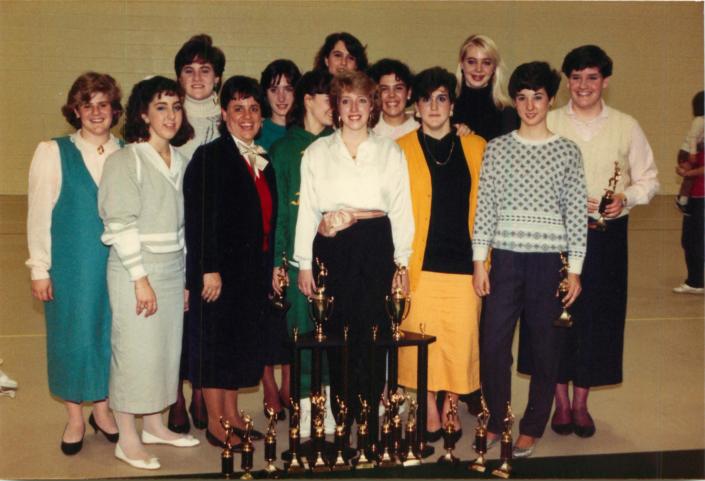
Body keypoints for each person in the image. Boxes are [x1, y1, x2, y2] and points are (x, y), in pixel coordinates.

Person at [522, 45, 659, 439]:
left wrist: (625, 198)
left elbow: (649, 179)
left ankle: (580, 403)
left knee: (598, 319)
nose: (583, 85)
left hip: (605, 238)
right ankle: (559, 403)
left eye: (592, 77)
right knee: (550, 319)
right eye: (576, 77)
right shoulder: (546, 121)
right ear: (566, 81)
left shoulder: (626, 125)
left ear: (606, 81)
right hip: (552, 238)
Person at [473, 61, 587, 458]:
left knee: (545, 347)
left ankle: (533, 423)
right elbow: (485, 207)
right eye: (522, 98)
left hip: (548, 263)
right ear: (514, 102)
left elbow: (575, 214)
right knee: (492, 346)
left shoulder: (567, 152)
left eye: (537, 97)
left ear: (550, 99)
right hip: (504, 260)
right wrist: (478, 262)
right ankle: (496, 419)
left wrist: (574, 270)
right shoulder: (498, 149)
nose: (530, 105)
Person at [293, 70, 414, 442]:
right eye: (346, 101)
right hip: (333, 246)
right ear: (336, 108)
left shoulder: (390, 152)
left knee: (373, 334)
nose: (354, 108)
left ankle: (370, 422)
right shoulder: (316, 152)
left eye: (362, 100)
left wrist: (402, 263)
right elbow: (308, 210)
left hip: (376, 245)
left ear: (372, 105)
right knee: (336, 336)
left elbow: (401, 210)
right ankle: (342, 421)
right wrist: (303, 263)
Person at [99, 76, 199, 470]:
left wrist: (187, 278)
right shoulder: (125, 161)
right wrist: (140, 279)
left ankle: (155, 425)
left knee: (164, 352)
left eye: (176, 107)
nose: (170, 115)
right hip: (134, 270)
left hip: (174, 269)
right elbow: (119, 223)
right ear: (143, 113)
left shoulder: (182, 161)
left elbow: (184, 228)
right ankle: (127, 438)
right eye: (161, 107)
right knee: (135, 354)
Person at [26, 72, 123, 455]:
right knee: (72, 336)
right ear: (76, 111)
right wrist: (39, 268)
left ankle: (102, 408)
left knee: (109, 335)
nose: (96, 112)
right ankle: (74, 417)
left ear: (115, 111)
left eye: (103, 104)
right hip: (71, 265)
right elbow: (38, 214)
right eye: (88, 105)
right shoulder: (53, 151)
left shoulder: (128, 151)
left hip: (116, 265)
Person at [183, 76, 276, 449]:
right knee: (217, 348)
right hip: (219, 273)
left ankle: (234, 415)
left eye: (254, 108)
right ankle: (218, 424)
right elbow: (199, 218)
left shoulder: (261, 159)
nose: (247, 115)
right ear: (224, 114)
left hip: (251, 272)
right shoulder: (211, 157)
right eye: (238, 108)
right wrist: (207, 268)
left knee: (238, 345)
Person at [396, 67, 485, 442]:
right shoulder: (399, 149)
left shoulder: (476, 146)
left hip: (465, 263)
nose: (433, 106)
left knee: (460, 339)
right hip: (420, 264)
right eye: (426, 99)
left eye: (441, 98)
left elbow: (488, 206)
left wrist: (485, 260)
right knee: (422, 339)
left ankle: (451, 401)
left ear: (452, 105)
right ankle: (428, 404)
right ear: (415, 107)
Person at [269, 69, 335, 436]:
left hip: (335, 260)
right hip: (298, 264)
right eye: (329, 98)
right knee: (302, 335)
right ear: (308, 99)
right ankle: (306, 410)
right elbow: (279, 215)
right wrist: (279, 264)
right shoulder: (282, 150)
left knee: (331, 337)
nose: (335, 107)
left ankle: (329, 406)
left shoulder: (339, 144)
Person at [170, 32, 226, 434]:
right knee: (178, 318)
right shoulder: (171, 117)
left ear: (218, 77)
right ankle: (173, 393)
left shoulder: (229, 117)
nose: (196, 77)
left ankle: (201, 392)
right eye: (188, 70)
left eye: (205, 70)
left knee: (208, 319)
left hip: (213, 235)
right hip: (174, 234)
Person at [452, 34, 518, 141]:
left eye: (486, 63)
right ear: (462, 65)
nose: (478, 69)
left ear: (494, 68)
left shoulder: (508, 114)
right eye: (471, 62)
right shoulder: (446, 109)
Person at [674, 91, 704, 294]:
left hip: (702, 196)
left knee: (696, 240)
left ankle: (695, 281)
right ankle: (694, 280)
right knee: (689, 240)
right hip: (694, 194)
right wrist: (684, 171)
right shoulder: (699, 134)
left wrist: (690, 171)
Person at [368, 58, 419, 140]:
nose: (391, 95)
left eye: (398, 88)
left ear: (409, 93)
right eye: (384, 89)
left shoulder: (419, 129)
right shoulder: (368, 130)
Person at [258, 59, 301, 150]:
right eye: (274, 90)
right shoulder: (257, 132)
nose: (281, 98)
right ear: (265, 94)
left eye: (288, 89)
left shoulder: (306, 129)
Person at [675, 91, 703, 212]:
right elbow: (693, 138)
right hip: (686, 153)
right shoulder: (699, 121)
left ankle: (683, 199)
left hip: (692, 151)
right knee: (690, 176)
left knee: (691, 176)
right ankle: (682, 199)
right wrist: (692, 153)